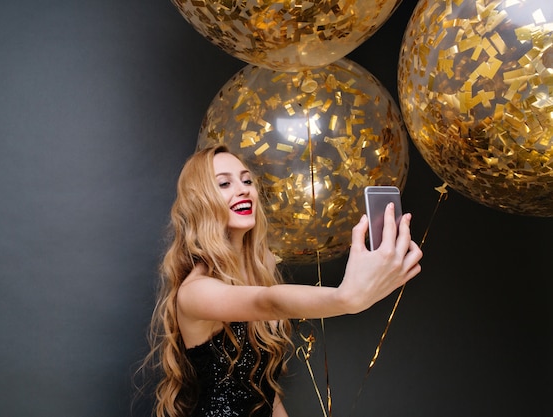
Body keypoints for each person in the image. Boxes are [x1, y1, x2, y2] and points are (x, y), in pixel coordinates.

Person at [138, 144, 423, 417]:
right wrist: (345, 298)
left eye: (247, 181)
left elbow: (266, 399)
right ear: (200, 201)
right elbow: (269, 303)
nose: (243, 190)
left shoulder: (257, 273)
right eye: (224, 184)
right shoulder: (196, 291)